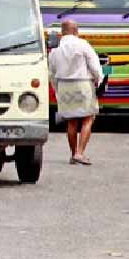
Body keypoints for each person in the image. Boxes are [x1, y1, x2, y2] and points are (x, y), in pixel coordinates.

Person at [49, 19, 103, 165]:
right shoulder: (83, 45)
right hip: (82, 84)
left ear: (62, 32)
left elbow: (51, 73)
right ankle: (80, 153)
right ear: (75, 31)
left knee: (71, 121)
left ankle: (73, 154)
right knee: (87, 119)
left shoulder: (55, 50)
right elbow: (95, 67)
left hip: (64, 86)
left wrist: (56, 89)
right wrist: (99, 80)